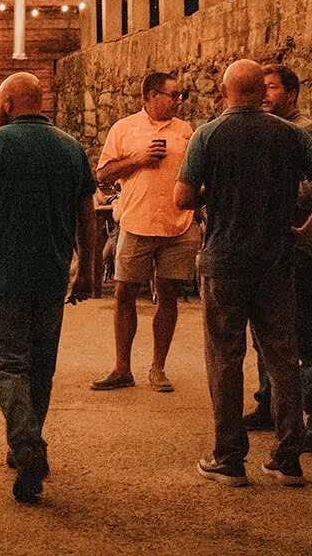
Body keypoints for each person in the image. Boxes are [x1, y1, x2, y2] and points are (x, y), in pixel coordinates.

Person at [174, 60, 312, 489]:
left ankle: (229, 457)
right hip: (276, 259)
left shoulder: (207, 135)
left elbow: (181, 197)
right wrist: (310, 229)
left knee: (225, 357)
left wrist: (211, 194)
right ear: (260, 92)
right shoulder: (290, 134)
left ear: (223, 91)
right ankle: (288, 456)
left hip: (225, 260)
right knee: (283, 356)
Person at [0, 72, 97, 505]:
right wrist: (88, 269)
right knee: (41, 365)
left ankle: (26, 444)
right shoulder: (71, 147)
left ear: (6, 104)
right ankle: (30, 443)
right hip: (52, 274)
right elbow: (87, 214)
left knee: (7, 365)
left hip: (5, 273)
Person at [244, 64, 312, 451]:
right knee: (264, 333)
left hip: (299, 247)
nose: (264, 95)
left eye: (271, 88)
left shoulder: (306, 131)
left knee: (306, 337)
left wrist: (267, 198)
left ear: (292, 92)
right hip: (271, 248)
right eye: (260, 88)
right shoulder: (271, 130)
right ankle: (270, 404)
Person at [90, 72, 197, 394]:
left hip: (178, 225)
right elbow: (104, 174)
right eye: (174, 95)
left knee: (167, 296)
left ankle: (158, 368)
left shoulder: (186, 131)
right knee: (124, 293)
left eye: (181, 95)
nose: (179, 101)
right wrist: (137, 159)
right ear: (151, 95)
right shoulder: (124, 128)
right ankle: (122, 367)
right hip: (136, 222)